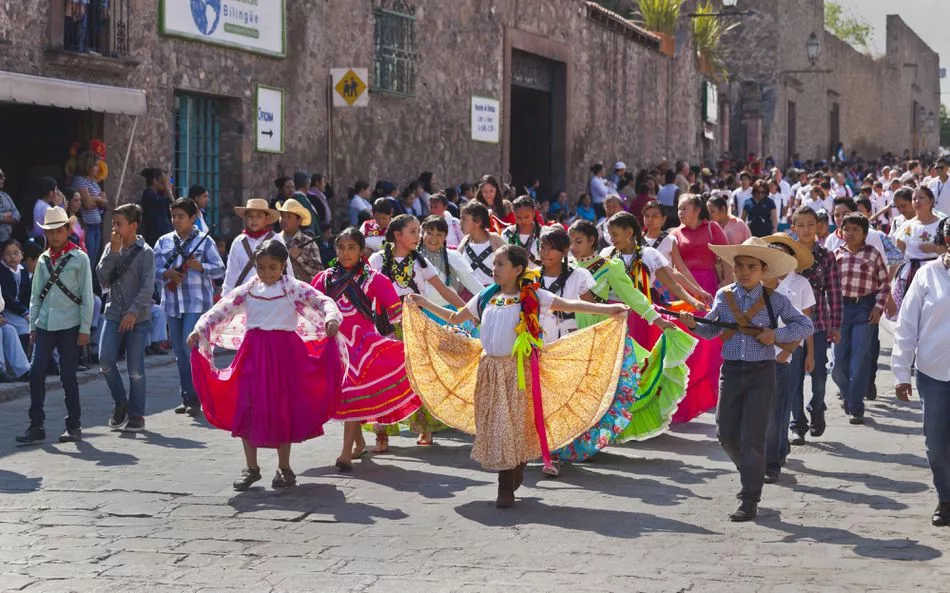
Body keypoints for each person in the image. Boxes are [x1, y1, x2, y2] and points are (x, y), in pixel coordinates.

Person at [405, 245, 629, 507]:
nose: (494, 269)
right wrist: (423, 304)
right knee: (496, 424)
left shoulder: (532, 296)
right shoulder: (485, 296)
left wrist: (609, 310)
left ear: (517, 269)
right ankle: (512, 469)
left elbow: (568, 304)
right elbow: (455, 317)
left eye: (500, 264)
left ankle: (507, 483)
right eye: (495, 264)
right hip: (489, 370)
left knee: (513, 424)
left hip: (519, 370)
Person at [188, 240, 345, 491]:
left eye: (273, 267)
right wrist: (200, 329)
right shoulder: (249, 289)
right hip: (253, 353)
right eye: (261, 267)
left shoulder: (293, 288)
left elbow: (323, 301)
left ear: (283, 266)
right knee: (246, 406)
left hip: (285, 355)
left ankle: (284, 468)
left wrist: (331, 319)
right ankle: (251, 468)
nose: (267, 273)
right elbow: (221, 309)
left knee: (282, 407)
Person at [680, 237, 812, 521]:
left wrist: (775, 335)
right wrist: (694, 323)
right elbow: (710, 330)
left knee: (752, 438)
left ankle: (749, 498)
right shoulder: (723, 296)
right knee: (725, 434)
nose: (744, 271)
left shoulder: (776, 300)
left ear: (763, 269)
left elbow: (805, 324)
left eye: (751, 266)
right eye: (739, 265)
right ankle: (753, 470)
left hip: (762, 373)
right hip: (731, 371)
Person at [558, 219, 694, 455]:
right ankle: (566, 438)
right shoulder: (565, 266)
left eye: (579, 241)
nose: (574, 246)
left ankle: (587, 441)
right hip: (568, 334)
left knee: (595, 390)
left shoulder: (609, 267)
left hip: (601, 335)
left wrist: (658, 320)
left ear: (592, 241)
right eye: (571, 242)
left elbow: (633, 297)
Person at [311, 228, 422, 471]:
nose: (345, 253)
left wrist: (422, 334)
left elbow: (397, 313)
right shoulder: (324, 279)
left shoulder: (375, 279)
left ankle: (344, 455)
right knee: (343, 396)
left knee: (350, 395)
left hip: (363, 348)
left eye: (351, 248)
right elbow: (311, 311)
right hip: (334, 345)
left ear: (362, 251)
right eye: (341, 247)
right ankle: (359, 442)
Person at [368, 214, 466, 448]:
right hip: (385, 327)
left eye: (417, 231)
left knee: (420, 376)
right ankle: (382, 431)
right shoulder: (377, 261)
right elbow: (366, 293)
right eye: (413, 231)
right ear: (397, 235)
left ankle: (425, 427)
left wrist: (468, 310)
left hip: (414, 325)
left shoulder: (421, 262)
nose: (418, 236)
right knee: (385, 378)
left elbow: (445, 291)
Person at [16, 207, 94, 445]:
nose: (54, 236)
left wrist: (84, 329)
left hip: (70, 324)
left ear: (67, 230)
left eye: (58, 231)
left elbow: (87, 296)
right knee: (36, 372)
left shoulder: (80, 258)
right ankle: (36, 425)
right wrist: (32, 327)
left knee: (68, 375)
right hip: (45, 325)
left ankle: (74, 425)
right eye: (50, 232)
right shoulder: (41, 259)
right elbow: (36, 295)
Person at [892, 232, 950, 527]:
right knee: (937, 443)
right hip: (934, 373)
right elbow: (907, 324)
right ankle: (946, 497)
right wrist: (901, 372)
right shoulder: (928, 275)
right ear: (946, 241)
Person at [153, 198, 226, 417]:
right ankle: (187, 394)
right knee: (178, 351)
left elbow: (219, 270)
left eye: (181, 216)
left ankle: (198, 395)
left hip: (196, 302)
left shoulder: (205, 242)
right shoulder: (164, 242)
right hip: (172, 303)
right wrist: (167, 274)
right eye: (173, 216)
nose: (176, 220)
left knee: (189, 347)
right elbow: (153, 270)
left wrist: (199, 266)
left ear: (193, 218)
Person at [670, 194, 732, 423]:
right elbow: (675, 266)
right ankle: (689, 389)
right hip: (684, 292)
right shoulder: (675, 234)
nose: (680, 213)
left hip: (709, 286)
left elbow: (726, 256)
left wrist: (726, 281)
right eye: (678, 209)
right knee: (687, 338)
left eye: (684, 208)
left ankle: (711, 389)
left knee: (710, 341)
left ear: (697, 209)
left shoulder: (712, 229)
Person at [761, 233, 815, 482]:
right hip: (758, 355)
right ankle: (773, 451)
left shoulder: (801, 284)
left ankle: (775, 455)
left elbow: (806, 322)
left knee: (782, 406)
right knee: (765, 408)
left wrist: (799, 353)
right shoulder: (759, 283)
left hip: (789, 352)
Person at [96, 204, 154, 432]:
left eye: (119, 223)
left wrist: (133, 312)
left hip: (138, 319)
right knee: (105, 361)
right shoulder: (112, 247)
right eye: (113, 223)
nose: (115, 228)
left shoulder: (146, 252)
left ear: (133, 226)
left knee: (135, 369)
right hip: (112, 314)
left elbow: (147, 287)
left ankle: (137, 414)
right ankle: (121, 402)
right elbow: (102, 276)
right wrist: (114, 252)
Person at [787, 206, 842, 444]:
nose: (806, 229)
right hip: (788, 324)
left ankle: (817, 407)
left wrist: (836, 325)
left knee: (819, 375)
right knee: (792, 377)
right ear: (793, 228)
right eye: (801, 225)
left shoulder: (827, 256)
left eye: (811, 224)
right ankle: (797, 423)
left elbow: (835, 293)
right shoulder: (786, 255)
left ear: (819, 227)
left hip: (818, 323)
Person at [832, 213, 889, 424]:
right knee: (838, 364)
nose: (851, 233)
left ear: (865, 233)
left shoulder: (873, 254)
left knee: (860, 359)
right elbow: (829, 288)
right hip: (841, 310)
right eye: (847, 229)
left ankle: (856, 407)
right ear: (841, 231)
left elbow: (884, 284)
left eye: (856, 229)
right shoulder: (836, 255)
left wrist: (878, 307)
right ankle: (848, 395)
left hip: (865, 308)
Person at [222, 199, 290, 296]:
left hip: (272, 296)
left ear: (266, 219)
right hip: (244, 298)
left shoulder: (276, 239)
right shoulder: (238, 242)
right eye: (250, 216)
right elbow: (231, 274)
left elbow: (287, 270)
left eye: (259, 216)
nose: (254, 220)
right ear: (245, 218)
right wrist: (225, 298)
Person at [893, 186, 944, 313]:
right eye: (914, 199)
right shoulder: (906, 226)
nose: (917, 201)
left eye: (921, 198)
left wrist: (936, 248)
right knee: (911, 312)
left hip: (938, 273)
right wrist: (888, 283)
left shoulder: (943, 223)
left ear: (931, 200)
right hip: (912, 273)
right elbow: (896, 257)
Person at [418, 216, 484, 312]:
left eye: (439, 235)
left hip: (449, 314)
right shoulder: (413, 257)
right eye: (429, 233)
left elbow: (471, 283)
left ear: (445, 236)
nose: (434, 238)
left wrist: (491, 299)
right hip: (420, 313)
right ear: (423, 232)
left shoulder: (452, 256)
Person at [457, 202, 506, 287]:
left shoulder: (494, 239)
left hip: (493, 293)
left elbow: (512, 262)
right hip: (468, 294)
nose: (459, 223)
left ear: (478, 222)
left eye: (463, 219)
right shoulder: (465, 241)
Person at [276, 198, 324, 283]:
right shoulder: (274, 240)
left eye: (289, 216)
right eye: (282, 215)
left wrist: (299, 257)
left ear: (299, 221)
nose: (284, 219)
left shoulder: (309, 243)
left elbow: (319, 274)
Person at [74, 153, 108, 262]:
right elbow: (88, 204)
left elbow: (106, 203)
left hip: (96, 225)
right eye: (96, 165)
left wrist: (95, 199)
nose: (98, 168)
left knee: (93, 260)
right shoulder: (80, 180)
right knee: (88, 259)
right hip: (87, 226)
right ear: (87, 165)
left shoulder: (93, 182)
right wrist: (98, 199)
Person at [0, 240, 31, 349]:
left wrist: (28, 310)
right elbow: (6, 297)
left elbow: (27, 293)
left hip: (20, 309)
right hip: (7, 309)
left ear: (22, 254)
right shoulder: (2, 271)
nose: (12, 256)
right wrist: (24, 313)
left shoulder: (23, 270)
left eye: (16, 253)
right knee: (24, 327)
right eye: (8, 254)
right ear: (2, 256)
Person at [502, 196, 543, 264]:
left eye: (526, 217)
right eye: (518, 217)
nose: (523, 221)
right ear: (514, 214)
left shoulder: (543, 233)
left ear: (533, 213)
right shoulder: (508, 234)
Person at [139, 167, 173, 246]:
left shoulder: (159, 195)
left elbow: (173, 206)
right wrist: (167, 187)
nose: (164, 185)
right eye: (162, 182)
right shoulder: (149, 194)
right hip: (154, 238)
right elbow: (171, 202)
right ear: (155, 181)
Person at [31, 177, 60, 245]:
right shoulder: (46, 208)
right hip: (44, 243)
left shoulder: (36, 203)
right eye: (56, 189)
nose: (57, 192)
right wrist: (58, 207)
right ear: (50, 193)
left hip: (36, 242)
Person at [0, 168, 20, 243]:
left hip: (7, 240)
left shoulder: (6, 196)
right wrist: (3, 217)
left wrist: (3, 219)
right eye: (0, 176)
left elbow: (17, 215)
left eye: (3, 176)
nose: (4, 179)